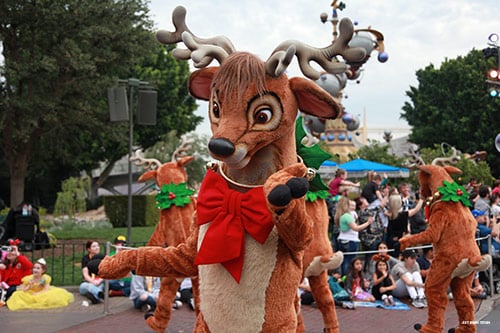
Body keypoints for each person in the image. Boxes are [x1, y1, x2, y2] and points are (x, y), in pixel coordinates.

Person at [6, 258, 74, 310]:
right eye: (34, 268)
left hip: (42, 293)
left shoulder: (44, 278)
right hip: (30, 292)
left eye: (38, 268)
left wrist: (38, 294)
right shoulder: (28, 278)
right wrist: (29, 286)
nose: (35, 270)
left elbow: (45, 289)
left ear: (43, 270)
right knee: (18, 294)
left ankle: (36, 300)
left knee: (49, 297)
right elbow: (23, 289)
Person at [334, 196, 373, 276]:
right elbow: (356, 228)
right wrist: (368, 223)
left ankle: (344, 277)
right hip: (349, 241)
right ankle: (347, 277)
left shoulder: (342, 215)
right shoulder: (347, 216)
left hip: (343, 239)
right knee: (349, 261)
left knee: (345, 260)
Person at [386, 192, 424, 258]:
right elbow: (416, 209)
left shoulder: (389, 214)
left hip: (391, 240)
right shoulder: (403, 215)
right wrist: (422, 198)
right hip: (403, 239)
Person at [355, 195, 387, 270]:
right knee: (370, 257)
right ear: (360, 205)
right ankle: (368, 272)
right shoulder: (363, 212)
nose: (367, 201)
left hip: (377, 237)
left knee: (378, 257)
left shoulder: (369, 210)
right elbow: (380, 206)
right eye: (364, 201)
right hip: (370, 240)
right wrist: (387, 195)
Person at [79, 240, 104, 304]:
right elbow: (85, 274)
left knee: (101, 286)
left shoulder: (103, 258)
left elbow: (106, 273)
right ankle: (99, 294)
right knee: (87, 286)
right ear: (89, 249)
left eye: (98, 246)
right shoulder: (85, 259)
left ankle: (95, 298)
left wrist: (99, 281)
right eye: (94, 246)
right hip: (88, 282)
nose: (97, 248)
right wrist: (92, 282)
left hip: (100, 282)